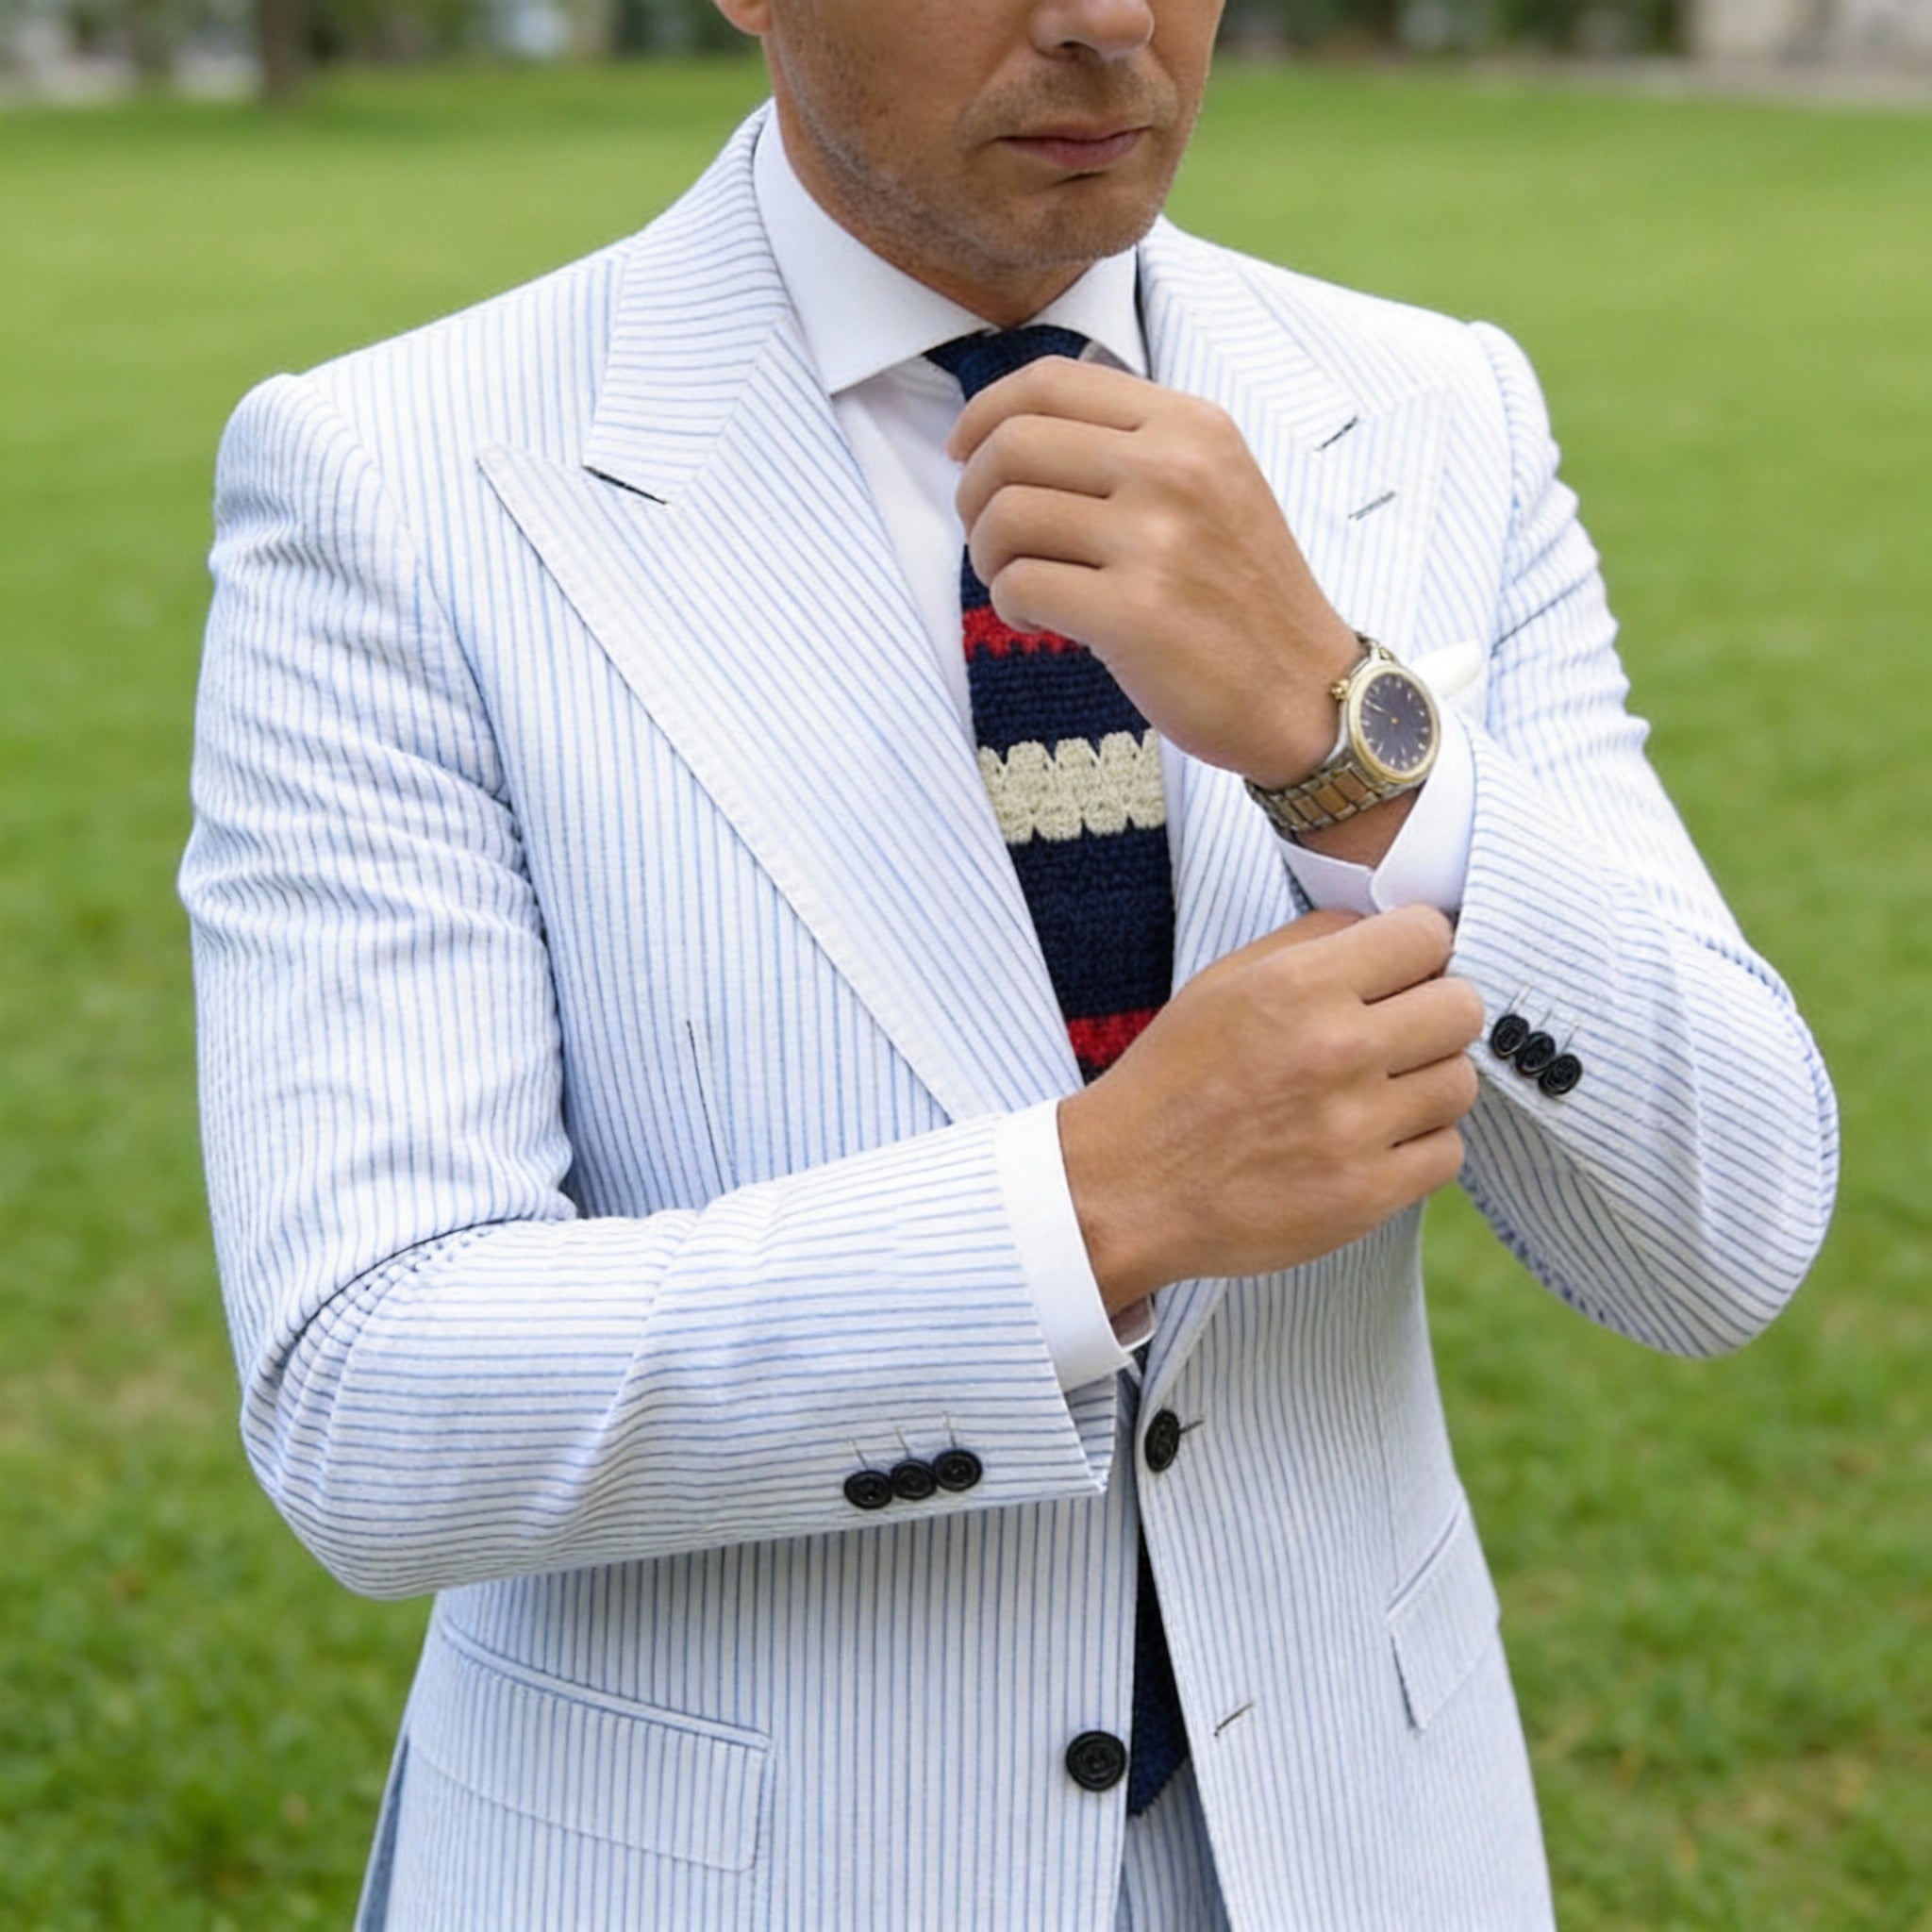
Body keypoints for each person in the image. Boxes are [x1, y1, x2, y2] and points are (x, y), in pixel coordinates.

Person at [179, 1, 1838, 1926]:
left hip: (1366, 1852)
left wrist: (1345, 735)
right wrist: (1092, 1207)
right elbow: (374, 1403)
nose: (1102, 21)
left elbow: (1727, 1235)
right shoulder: (396, 481)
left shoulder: (1428, 414)